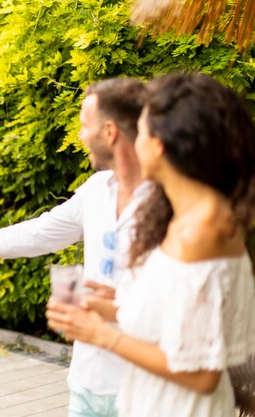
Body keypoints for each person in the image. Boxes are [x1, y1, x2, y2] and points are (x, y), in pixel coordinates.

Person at [47, 73, 255, 417]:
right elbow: (179, 320)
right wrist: (114, 305)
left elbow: (201, 373)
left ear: (159, 145)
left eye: (140, 131)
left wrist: (102, 335)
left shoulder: (202, 230)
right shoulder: (190, 217)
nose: (130, 140)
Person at [0, 78, 147, 417]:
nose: (81, 136)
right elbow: (43, 231)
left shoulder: (169, 199)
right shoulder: (97, 189)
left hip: (143, 386)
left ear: (110, 131)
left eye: (86, 126)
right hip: (88, 379)